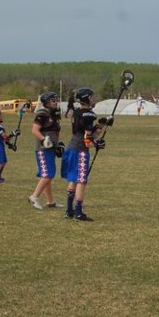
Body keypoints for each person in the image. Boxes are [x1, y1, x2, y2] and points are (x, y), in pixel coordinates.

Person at [61, 87, 110, 221]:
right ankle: (78, 212)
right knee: (81, 181)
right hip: (81, 151)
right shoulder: (88, 115)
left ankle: (69, 210)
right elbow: (88, 140)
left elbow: (86, 132)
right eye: (92, 96)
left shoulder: (77, 112)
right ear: (87, 98)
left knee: (73, 179)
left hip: (71, 148)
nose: (94, 99)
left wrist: (101, 124)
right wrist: (97, 144)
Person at [28, 91, 63, 210]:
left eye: (56, 100)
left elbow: (55, 131)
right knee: (48, 174)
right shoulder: (42, 113)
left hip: (51, 148)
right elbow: (34, 130)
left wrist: (57, 145)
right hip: (43, 149)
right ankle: (34, 197)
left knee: (48, 174)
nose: (56, 102)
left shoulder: (55, 113)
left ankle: (50, 201)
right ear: (46, 102)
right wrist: (43, 140)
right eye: (53, 100)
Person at [0, 110, 18, 184]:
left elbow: (5, 139)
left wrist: (10, 145)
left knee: (4, 162)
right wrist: (13, 134)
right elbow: (5, 137)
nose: (1, 116)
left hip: (0, 145)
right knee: (0, 163)